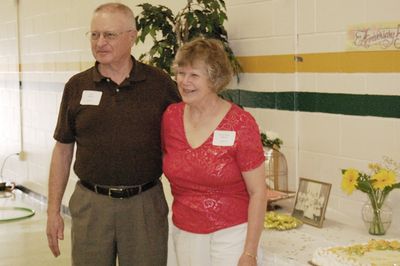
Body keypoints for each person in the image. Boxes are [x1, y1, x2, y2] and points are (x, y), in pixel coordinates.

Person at [46, 3, 180, 266]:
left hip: (144, 206)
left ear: (132, 36)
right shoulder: (77, 86)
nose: (100, 43)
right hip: (91, 205)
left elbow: (184, 141)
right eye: (94, 35)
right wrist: (53, 210)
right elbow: (63, 149)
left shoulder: (160, 84)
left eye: (109, 35)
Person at [161, 38, 267, 266]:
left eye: (194, 75)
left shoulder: (240, 123)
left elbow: (258, 192)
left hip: (231, 237)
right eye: (181, 73)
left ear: (214, 79)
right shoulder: (170, 117)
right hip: (183, 232)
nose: (184, 81)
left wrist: (250, 253)